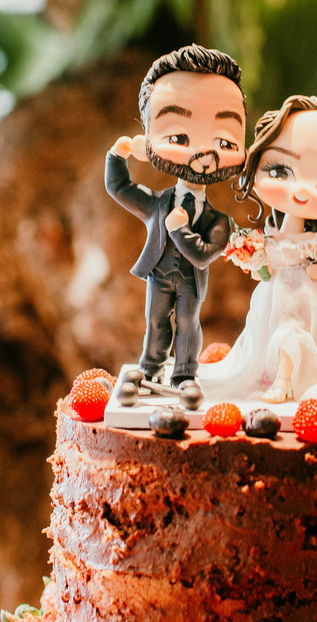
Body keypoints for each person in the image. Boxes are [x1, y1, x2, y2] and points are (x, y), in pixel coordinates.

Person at [197, 95, 317, 403]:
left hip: (304, 299)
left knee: (291, 335)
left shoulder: (312, 242)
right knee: (263, 338)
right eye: (280, 170)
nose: (302, 190)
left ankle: (284, 383)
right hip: (271, 297)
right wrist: (252, 257)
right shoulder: (271, 237)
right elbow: (263, 268)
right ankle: (270, 378)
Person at [106, 44, 246, 386]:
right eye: (180, 137)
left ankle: (184, 373)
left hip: (190, 281)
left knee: (188, 323)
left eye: (224, 142)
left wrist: (181, 230)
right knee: (156, 322)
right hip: (158, 275)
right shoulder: (156, 203)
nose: (203, 152)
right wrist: (117, 157)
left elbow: (203, 254)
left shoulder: (219, 221)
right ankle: (151, 368)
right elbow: (120, 188)